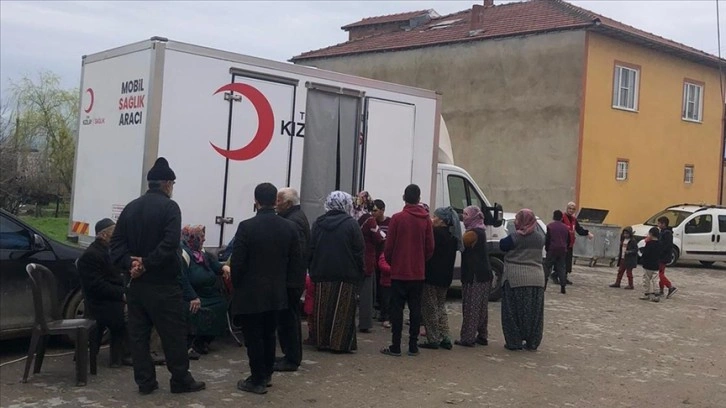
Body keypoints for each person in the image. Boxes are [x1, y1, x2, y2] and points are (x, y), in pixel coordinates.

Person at [110, 157, 205, 395]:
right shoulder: (170, 208)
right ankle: (180, 380)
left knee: (139, 335)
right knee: (173, 335)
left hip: (136, 285)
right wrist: (147, 264)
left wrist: (131, 262)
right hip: (163, 285)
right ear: (167, 184)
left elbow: (116, 245)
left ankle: (145, 381)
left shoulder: (131, 208)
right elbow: (170, 243)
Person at [229, 183, 303, 394]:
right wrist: (291, 291)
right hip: (277, 293)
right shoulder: (289, 228)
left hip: (251, 293)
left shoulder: (246, 227)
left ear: (256, 201)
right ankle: (267, 373)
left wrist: (237, 285)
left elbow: (238, 263)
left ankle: (257, 379)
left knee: (253, 337)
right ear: (275, 201)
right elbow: (296, 263)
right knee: (270, 334)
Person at [380, 184, 434, 357]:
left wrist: (393, 261)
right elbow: (430, 247)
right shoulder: (425, 220)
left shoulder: (397, 218)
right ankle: (413, 345)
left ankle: (396, 345)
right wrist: (420, 260)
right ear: (419, 198)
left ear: (404, 197)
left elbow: (389, 247)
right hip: (417, 272)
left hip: (399, 272)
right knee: (415, 308)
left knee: (396, 309)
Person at [308, 191, 365, 353]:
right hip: (346, 274)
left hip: (322, 273)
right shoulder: (351, 224)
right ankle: (339, 344)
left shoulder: (318, 223)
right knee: (343, 310)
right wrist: (360, 272)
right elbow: (359, 251)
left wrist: (312, 269)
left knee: (322, 309)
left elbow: (311, 248)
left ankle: (322, 341)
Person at [77, 218, 130, 368]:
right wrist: (122, 294)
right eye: (114, 232)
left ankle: (128, 353)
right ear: (103, 235)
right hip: (100, 303)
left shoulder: (108, 251)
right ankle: (123, 355)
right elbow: (96, 286)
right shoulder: (91, 255)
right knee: (132, 315)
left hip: (108, 298)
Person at [178, 225, 230, 360]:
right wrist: (192, 296)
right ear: (191, 238)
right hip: (193, 294)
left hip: (209, 293)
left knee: (222, 304)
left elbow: (215, 265)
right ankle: (191, 343)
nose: (204, 239)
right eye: (201, 237)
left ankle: (204, 340)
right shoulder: (183, 254)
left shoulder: (202, 252)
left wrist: (224, 267)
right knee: (196, 309)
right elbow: (182, 278)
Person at [274, 187, 310, 372]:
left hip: (290, 280)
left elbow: (296, 253)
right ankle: (290, 355)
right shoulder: (294, 217)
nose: (276, 204)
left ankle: (291, 358)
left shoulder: (293, 222)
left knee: (289, 319)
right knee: (289, 318)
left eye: (278, 201)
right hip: (293, 278)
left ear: (288, 203)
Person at [499, 209, 546, 351]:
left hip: (516, 279)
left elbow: (502, 245)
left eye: (517, 219)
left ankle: (514, 342)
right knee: (534, 314)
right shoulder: (540, 238)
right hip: (537, 279)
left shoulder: (514, 238)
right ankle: (533, 342)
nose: (515, 221)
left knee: (512, 313)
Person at [419, 207, 461, 350]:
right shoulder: (452, 237)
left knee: (430, 308)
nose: (433, 219)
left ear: (442, 220)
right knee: (441, 306)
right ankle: (445, 336)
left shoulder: (434, 234)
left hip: (431, 276)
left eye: (435, 216)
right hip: (445, 277)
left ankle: (433, 339)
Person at [456, 206, 493, 348]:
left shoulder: (472, 233)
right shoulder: (480, 230)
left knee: (471, 307)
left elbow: (460, 243)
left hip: (475, 275)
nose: (463, 217)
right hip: (483, 274)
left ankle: (468, 338)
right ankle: (482, 335)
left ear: (473, 217)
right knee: (481, 307)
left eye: (466, 214)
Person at [355, 191, 384, 334]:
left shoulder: (353, 216)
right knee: (366, 293)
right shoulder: (369, 220)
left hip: (353, 259)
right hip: (367, 258)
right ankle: (365, 323)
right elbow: (379, 237)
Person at [560, 202, 594, 285]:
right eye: (570, 208)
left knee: (567, 263)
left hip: (570, 244)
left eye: (573, 209)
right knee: (561, 262)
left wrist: (588, 232)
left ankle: (564, 277)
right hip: (562, 243)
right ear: (567, 208)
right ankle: (557, 276)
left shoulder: (574, 220)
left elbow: (579, 230)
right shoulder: (562, 218)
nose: (571, 210)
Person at [372, 199, 391, 323]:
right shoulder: (371, 223)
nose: (373, 213)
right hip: (374, 259)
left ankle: (384, 311)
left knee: (384, 287)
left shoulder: (390, 222)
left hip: (384, 259)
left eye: (375, 210)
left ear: (382, 210)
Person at [544, 210, 570, 294]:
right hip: (562, 250)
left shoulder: (550, 226)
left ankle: (544, 285)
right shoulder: (566, 227)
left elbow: (547, 239)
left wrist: (547, 248)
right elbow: (568, 240)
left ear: (553, 217)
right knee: (561, 268)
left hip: (552, 249)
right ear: (561, 217)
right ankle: (563, 286)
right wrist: (566, 247)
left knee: (547, 267)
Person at [639, 227, 662, 302]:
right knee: (655, 280)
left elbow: (645, 253)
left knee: (646, 280)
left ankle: (646, 294)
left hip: (647, 265)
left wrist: (642, 258)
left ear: (651, 234)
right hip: (656, 265)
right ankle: (657, 294)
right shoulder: (659, 244)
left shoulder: (649, 244)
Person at [656, 217, 678, 299]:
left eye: (659, 223)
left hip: (663, 256)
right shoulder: (662, 232)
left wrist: (659, 252)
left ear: (663, 224)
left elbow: (666, 246)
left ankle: (670, 287)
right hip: (662, 256)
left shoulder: (667, 233)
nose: (658, 225)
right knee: (661, 273)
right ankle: (661, 291)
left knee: (660, 274)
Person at [376, 252, 392, 329]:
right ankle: (385, 318)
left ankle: (390, 317)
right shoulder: (384, 255)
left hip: (394, 283)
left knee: (393, 302)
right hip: (386, 283)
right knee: (386, 302)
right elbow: (383, 266)